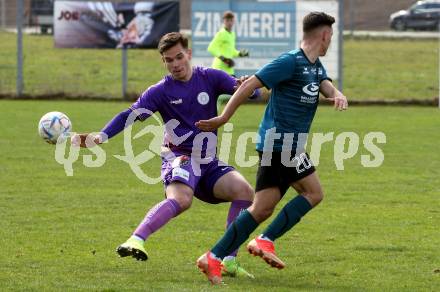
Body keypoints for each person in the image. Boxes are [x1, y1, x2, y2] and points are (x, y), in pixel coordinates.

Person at [71, 32, 256, 278]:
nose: (175, 64)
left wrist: (247, 86)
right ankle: (136, 240)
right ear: (164, 62)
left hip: (207, 161)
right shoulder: (160, 90)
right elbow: (130, 114)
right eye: (169, 60)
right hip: (178, 156)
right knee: (181, 200)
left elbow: (248, 92)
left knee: (244, 192)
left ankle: (228, 261)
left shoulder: (210, 77)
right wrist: (100, 137)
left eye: (179, 57)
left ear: (188, 54)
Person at [195, 12, 348, 284]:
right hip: (280, 144)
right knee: (313, 193)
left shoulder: (313, 65)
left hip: (287, 145)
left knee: (262, 208)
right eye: (330, 36)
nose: (330, 41)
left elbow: (324, 84)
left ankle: (215, 256)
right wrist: (223, 117)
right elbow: (251, 84)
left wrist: (336, 94)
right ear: (324, 35)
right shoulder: (289, 61)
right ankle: (264, 240)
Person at [207, 11, 249, 76]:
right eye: (227, 20)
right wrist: (224, 59)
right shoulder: (221, 33)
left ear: (233, 21)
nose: (229, 23)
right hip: (219, 69)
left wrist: (240, 53)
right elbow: (211, 48)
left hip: (229, 69)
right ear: (224, 21)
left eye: (231, 20)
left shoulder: (232, 34)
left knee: (236, 85)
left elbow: (231, 51)